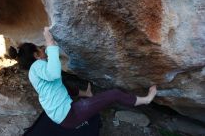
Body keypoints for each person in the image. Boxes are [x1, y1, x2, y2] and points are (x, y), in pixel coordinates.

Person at [9, 26, 157, 129]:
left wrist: (83, 94)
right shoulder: (38, 66)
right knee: (114, 94)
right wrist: (50, 42)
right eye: (40, 50)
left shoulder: (33, 73)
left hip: (61, 118)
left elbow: (60, 85)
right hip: (69, 115)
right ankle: (146, 100)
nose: (44, 50)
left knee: (60, 83)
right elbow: (54, 73)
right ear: (36, 55)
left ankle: (86, 96)